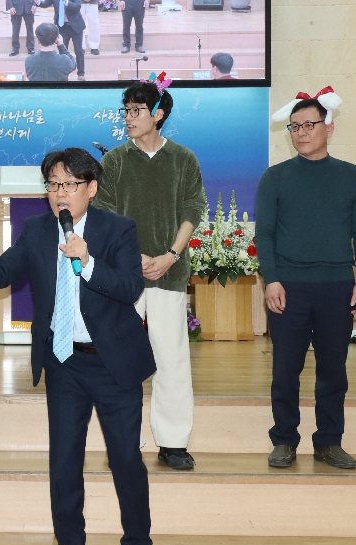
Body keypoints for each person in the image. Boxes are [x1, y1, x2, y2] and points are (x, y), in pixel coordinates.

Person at [0, 147, 156, 545]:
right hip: (64, 362)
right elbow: (1, 273)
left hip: (112, 363)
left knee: (126, 458)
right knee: (65, 458)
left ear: (91, 189)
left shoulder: (118, 229)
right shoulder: (36, 231)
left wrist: (87, 262)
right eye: (53, 184)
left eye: (70, 184)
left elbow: (131, 288)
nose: (60, 193)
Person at [94, 77, 205, 471]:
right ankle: (124, 441)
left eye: (136, 110)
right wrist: (133, 258)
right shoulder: (114, 161)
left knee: (171, 358)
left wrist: (171, 255)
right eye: (125, 111)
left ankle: (173, 442)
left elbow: (193, 209)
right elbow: (102, 214)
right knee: (120, 360)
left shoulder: (183, 159)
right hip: (124, 278)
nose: (128, 118)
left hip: (169, 274)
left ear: (158, 115)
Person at [258, 88, 356, 470]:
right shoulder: (275, 177)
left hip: (338, 287)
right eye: (295, 126)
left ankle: (328, 441)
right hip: (288, 288)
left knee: (333, 371)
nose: (302, 132)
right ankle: (284, 440)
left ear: (329, 127)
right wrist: (272, 280)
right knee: (285, 370)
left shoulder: (352, 176)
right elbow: (265, 234)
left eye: (310, 124)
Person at [37, 0, 86, 81]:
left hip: (76, 27)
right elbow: (46, 3)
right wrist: (38, 2)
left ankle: (81, 73)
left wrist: (66, 2)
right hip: (62, 27)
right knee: (62, 49)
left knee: (79, 51)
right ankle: (63, 73)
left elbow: (77, 6)